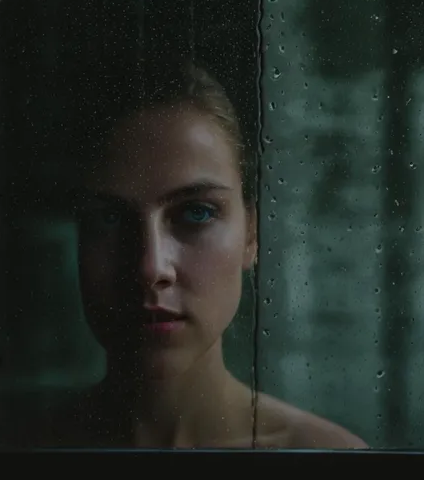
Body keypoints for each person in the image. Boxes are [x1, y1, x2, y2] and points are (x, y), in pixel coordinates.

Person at [54, 60, 367, 449]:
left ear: (251, 234)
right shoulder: (14, 455)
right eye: (110, 219)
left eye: (195, 212)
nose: (151, 267)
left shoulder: (331, 463)